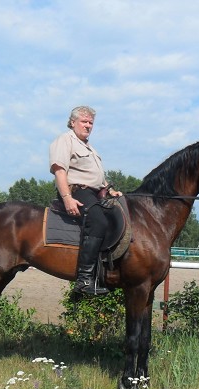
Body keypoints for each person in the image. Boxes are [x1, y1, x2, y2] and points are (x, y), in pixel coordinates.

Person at [49, 105, 122, 295]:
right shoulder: (65, 140)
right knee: (97, 220)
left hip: (94, 192)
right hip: (76, 191)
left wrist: (110, 189)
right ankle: (84, 281)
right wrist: (67, 198)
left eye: (91, 122)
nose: (88, 125)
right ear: (73, 122)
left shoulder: (90, 148)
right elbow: (59, 170)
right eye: (84, 121)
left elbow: (96, 178)